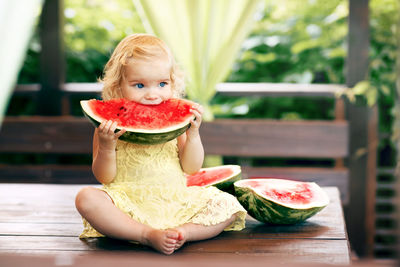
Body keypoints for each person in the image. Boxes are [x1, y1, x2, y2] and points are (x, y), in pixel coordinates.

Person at [75, 33, 247, 255]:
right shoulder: (107, 127)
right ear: (118, 86)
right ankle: (145, 234)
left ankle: (184, 232)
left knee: (228, 203)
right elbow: (104, 177)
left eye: (162, 83)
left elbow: (191, 167)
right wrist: (107, 147)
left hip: (176, 201)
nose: (152, 94)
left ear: (172, 82)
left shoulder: (177, 128)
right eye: (139, 85)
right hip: (127, 205)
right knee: (86, 198)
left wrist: (193, 135)